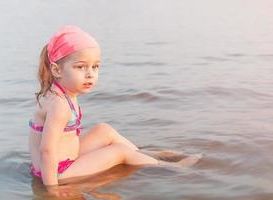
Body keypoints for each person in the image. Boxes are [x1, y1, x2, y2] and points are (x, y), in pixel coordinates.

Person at [28, 25, 202, 193]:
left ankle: (144, 154)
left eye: (95, 66)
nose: (90, 74)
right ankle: (168, 167)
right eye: (80, 67)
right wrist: (52, 189)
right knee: (119, 152)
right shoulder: (59, 105)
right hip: (57, 172)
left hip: (61, 161)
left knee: (104, 130)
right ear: (57, 70)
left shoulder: (63, 93)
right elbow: (47, 150)